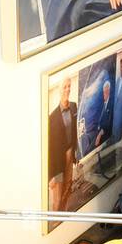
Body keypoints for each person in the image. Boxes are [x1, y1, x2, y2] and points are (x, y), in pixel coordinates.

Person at [48, 76, 78, 210]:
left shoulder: (73, 106)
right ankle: (56, 223)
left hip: (70, 156)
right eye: (65, 87)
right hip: (58, 163)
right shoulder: (52, 117)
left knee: (67, 189)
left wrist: (75, 154)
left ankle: (63, 217)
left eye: (69, 86)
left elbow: (75, 130)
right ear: (59, 90)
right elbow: (49, 149)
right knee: (57, 198)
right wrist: (50, 176)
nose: (67, 89)